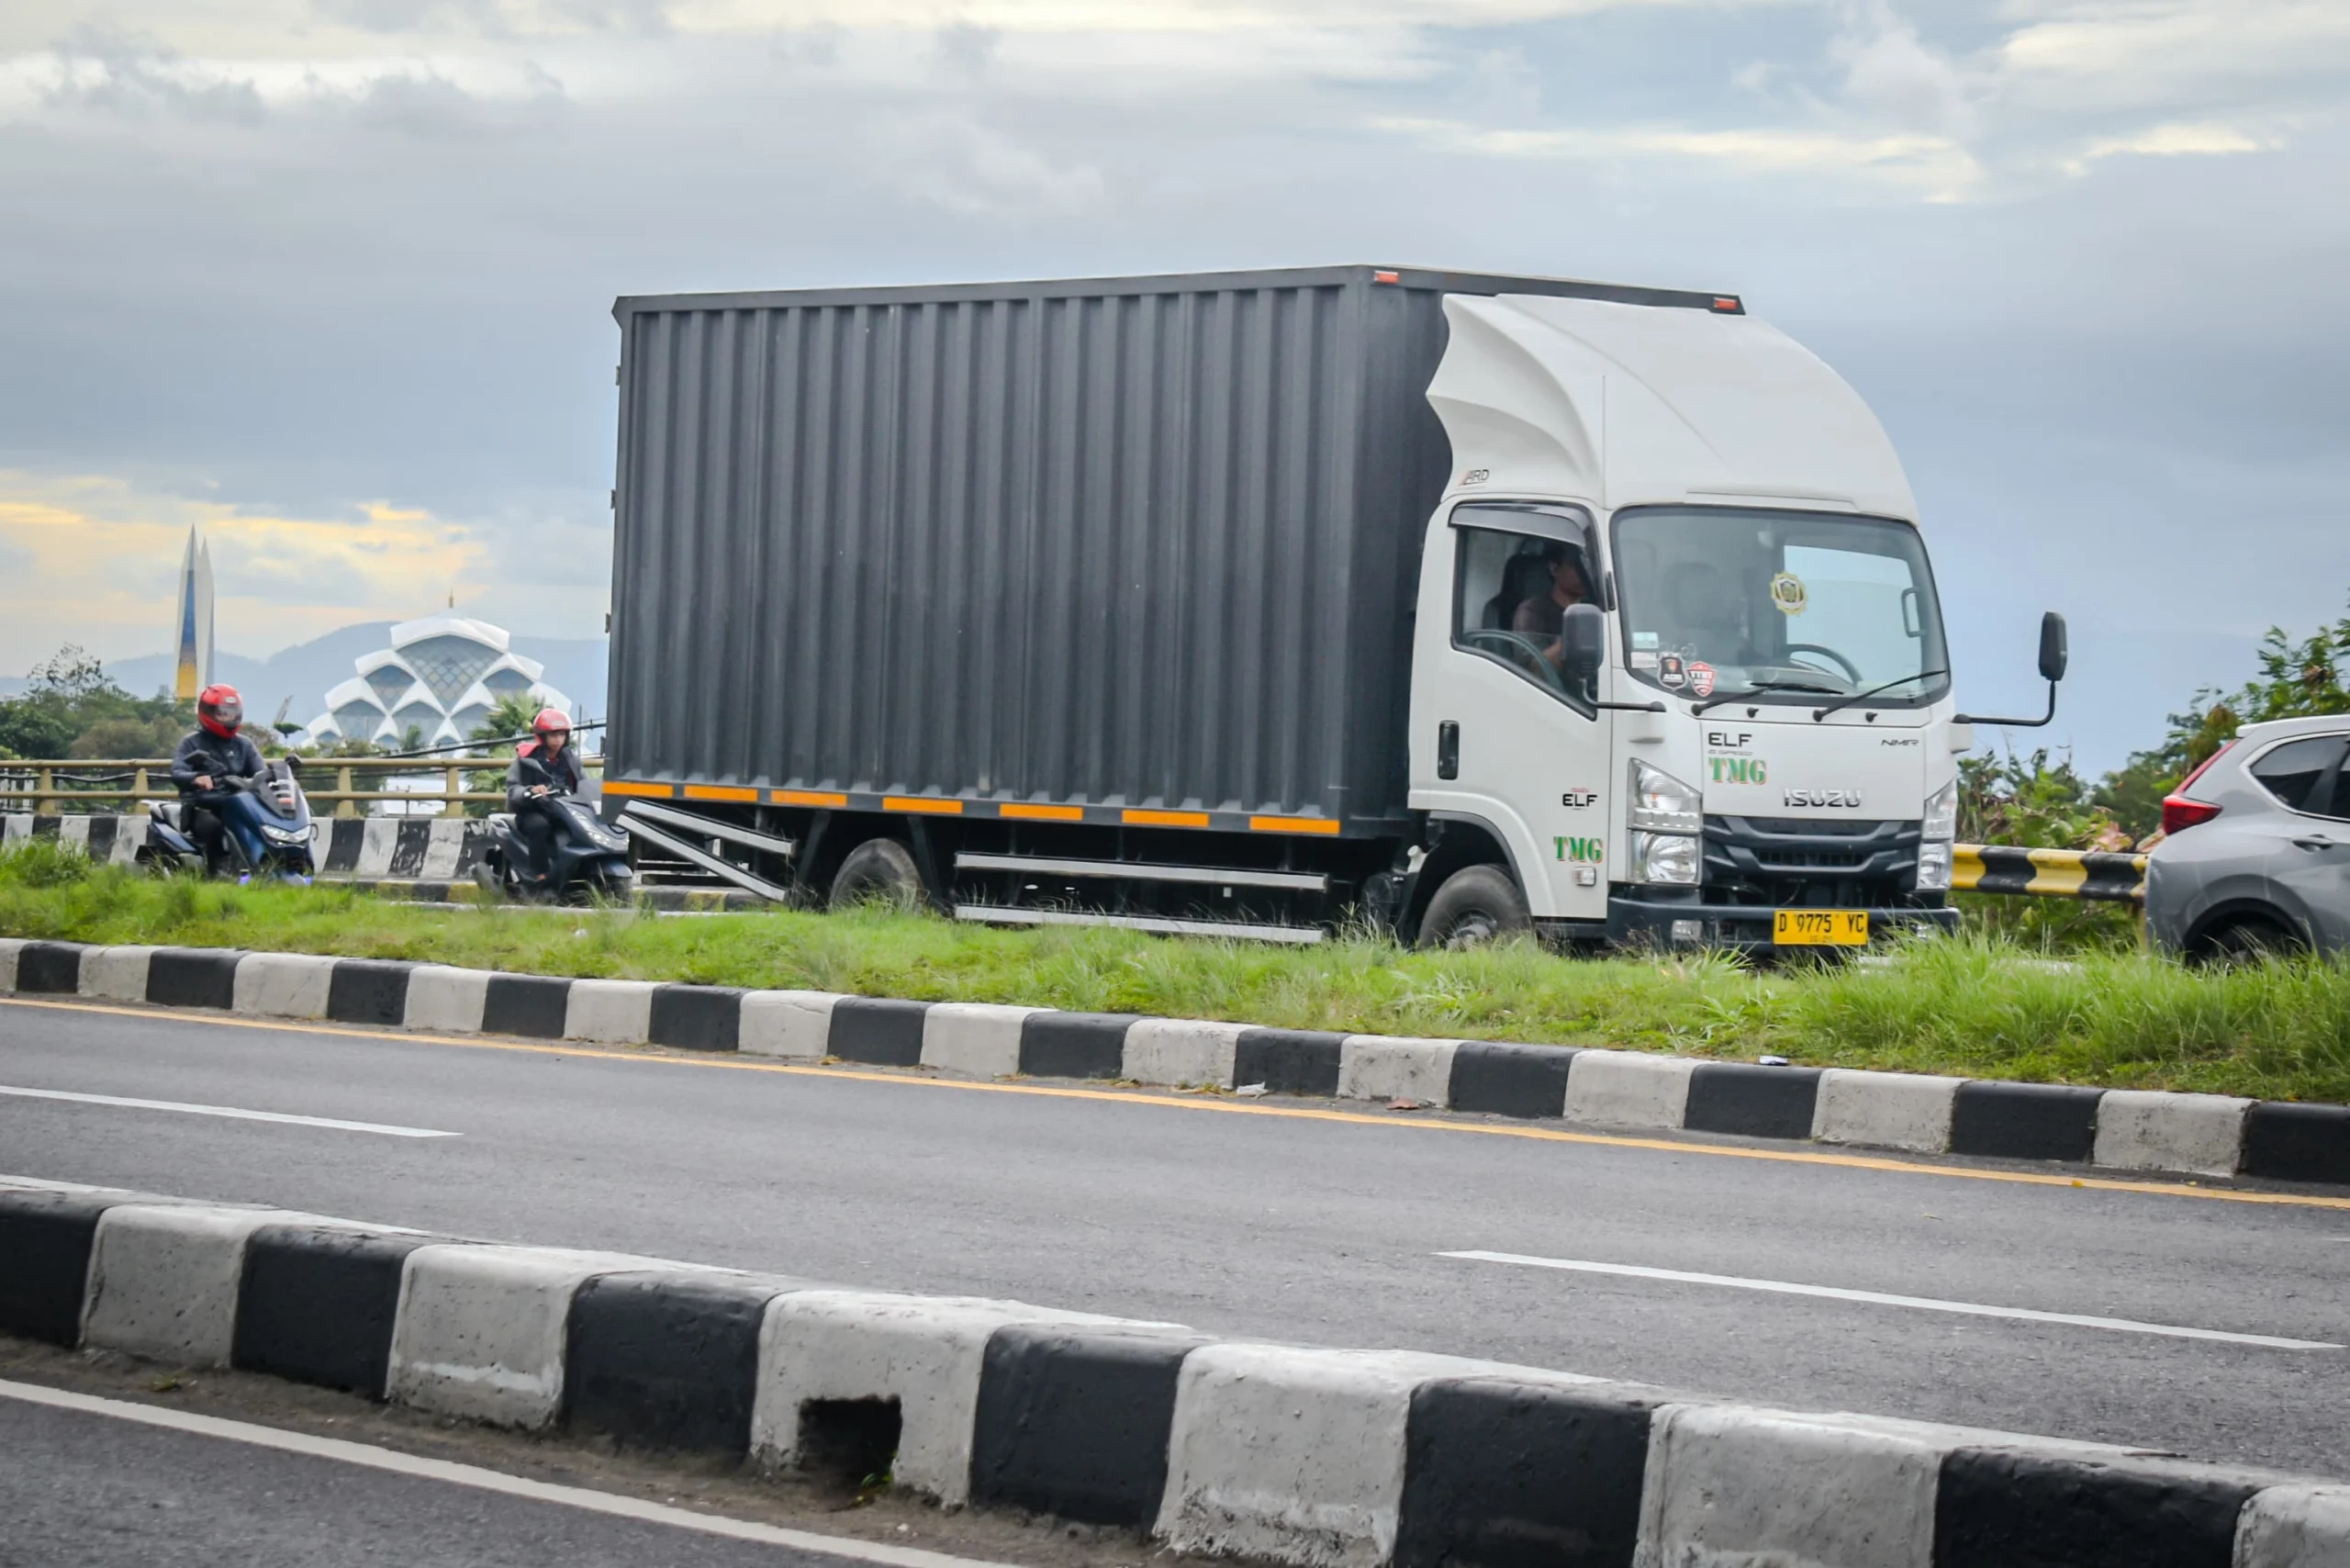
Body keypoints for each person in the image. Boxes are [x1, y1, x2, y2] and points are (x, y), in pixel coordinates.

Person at [170, 684, 269, 872]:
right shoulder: (191, 742)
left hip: (237, 804)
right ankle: (215, 870)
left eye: (232, 713)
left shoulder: (244, 744)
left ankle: (266, 865)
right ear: (207, 712)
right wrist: (197, 778)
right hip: (203, 806)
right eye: (222, 713)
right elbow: (177, 772)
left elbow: (260, 772)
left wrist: (272, 780)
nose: (228, 717)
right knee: (214, 827)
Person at [507, 708, 584, 888]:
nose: (558, 739)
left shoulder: (571, 759)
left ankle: (574, 873)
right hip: (532, 811)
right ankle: (540, 876)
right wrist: (531, 790)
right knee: (539, 826)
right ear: (542, 736)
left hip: (563, 809)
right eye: (553, 735)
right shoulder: (525, 760)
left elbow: (583, 782)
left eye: (562, 734)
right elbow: (513, 789)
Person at [1510, 541, 1590, 666]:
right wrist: (1574, 639)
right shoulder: (1531, 612)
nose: (1585, 574)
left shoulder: (1596, 609)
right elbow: (1533, 669)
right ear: (1555, 569)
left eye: (1587, 567)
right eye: (1577, 566)